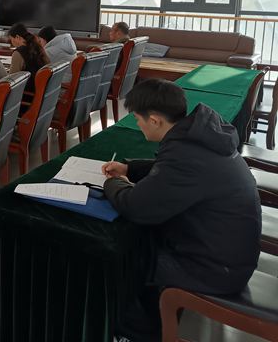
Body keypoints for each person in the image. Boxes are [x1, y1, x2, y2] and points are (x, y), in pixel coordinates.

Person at [103, 79, 261, 342]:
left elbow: (137, 207)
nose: (138, 125)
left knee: (128, 263)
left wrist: (113, 183)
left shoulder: (187, 155)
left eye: (138, 120)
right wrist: (130, 169)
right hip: (225, 252)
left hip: (216, 269)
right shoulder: (198, 136)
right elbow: (167, 171)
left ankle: (137, 333)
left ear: (155, 120)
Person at [6, 23, 49, 91]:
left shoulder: (18, 52)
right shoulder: (38, 47)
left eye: (11, 39)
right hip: (41, 89)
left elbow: (12, 80)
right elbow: (48, 64)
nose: (11, 43)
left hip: (26, 93)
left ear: (17, 37)